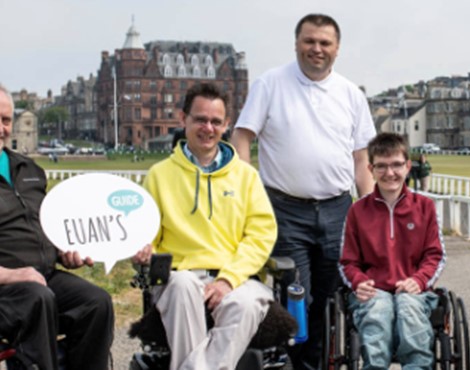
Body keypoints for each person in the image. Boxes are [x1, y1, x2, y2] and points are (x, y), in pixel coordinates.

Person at [230, 13, 375, 369]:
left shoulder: (351, 94)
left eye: (325, 43)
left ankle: (320, 363)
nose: (317, 49)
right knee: (299, 297)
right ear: (297, 43)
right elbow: (242, 137)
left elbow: (361, 160)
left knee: (330, 298)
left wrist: (371, 212)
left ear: (337, 49)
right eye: (310, 41)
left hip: (338, 210)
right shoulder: (270, 84)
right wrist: (247, 188)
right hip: (285, 210)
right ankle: (298, 364)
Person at [132, 83, 278, 370]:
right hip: (179, 275)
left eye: (215, 121)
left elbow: (260, 236)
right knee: (183, 285)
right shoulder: (159, 175)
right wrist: (144, 248)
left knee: (249, 302)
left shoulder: (246, 176)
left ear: (226, 125)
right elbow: (147, 234)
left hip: (235, 277)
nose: (207, 128)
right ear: (182, 119)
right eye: (200, 119)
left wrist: (227, 280)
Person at [0, 84, 114, 370]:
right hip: (8, 286)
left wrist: (63, 251)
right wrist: (12, 275)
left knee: (97, 302)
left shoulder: (29, 170)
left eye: (5, 120)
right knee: (38, 299)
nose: (2, 128)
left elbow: (48, 226)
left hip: (42, 277)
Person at [339, 133, 445, 369]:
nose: (390, 173)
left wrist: (419, 280)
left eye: (396, 165)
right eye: (382, 166)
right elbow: (347, 261)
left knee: (409, 308)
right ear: (371, 169)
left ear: (408, 166)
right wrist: (358, 281)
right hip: (373, 290)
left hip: (414, 290)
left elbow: (435, 255)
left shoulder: (425, 207)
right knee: (378, 309)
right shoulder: (357, 211)